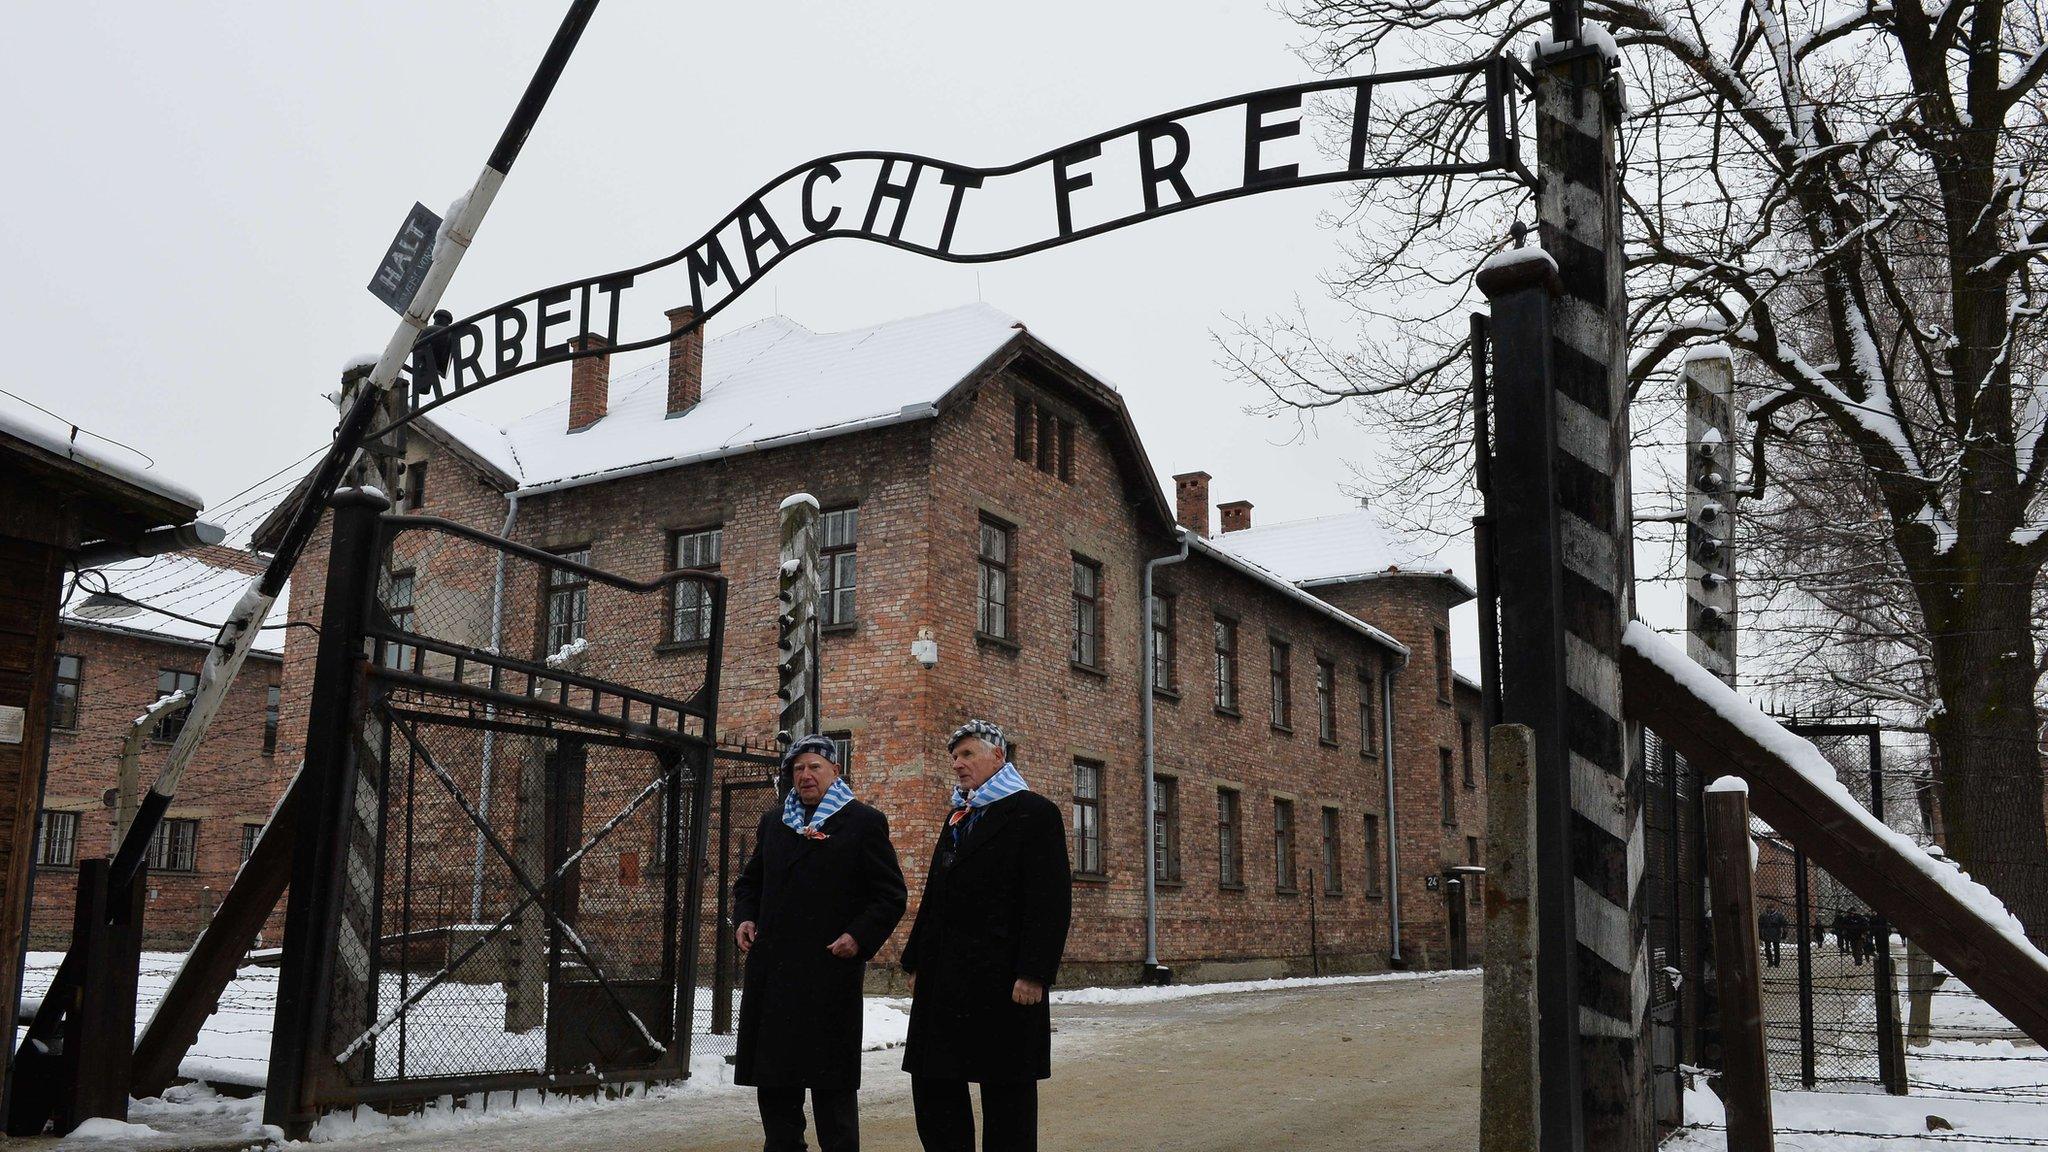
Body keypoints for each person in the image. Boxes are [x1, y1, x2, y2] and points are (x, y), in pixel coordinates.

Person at [901, 720, 1072, 1152]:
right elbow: (937, 892)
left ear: (998, 756)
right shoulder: (960, 814)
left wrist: (1034, 971)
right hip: (946, 976)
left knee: (1006, 1091)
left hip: (1003, 979)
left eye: (967, 755)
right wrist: (917, 959)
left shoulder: (1034, 813)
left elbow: (1049, 901)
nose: (958, 765)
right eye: (954, 757)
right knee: (935, 1082)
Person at [734, 734, 908, 1152]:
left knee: (832, 1092)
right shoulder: (775, 822)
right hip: (774, 976)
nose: (806, 775)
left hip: (828, 974)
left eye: (815, 767)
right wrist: (745, 917)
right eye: (798, 769)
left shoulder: (863, 821)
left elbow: (889, 895)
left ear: (835, 771)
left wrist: (858, 935)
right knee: (776, 1087)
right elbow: (750, 882)